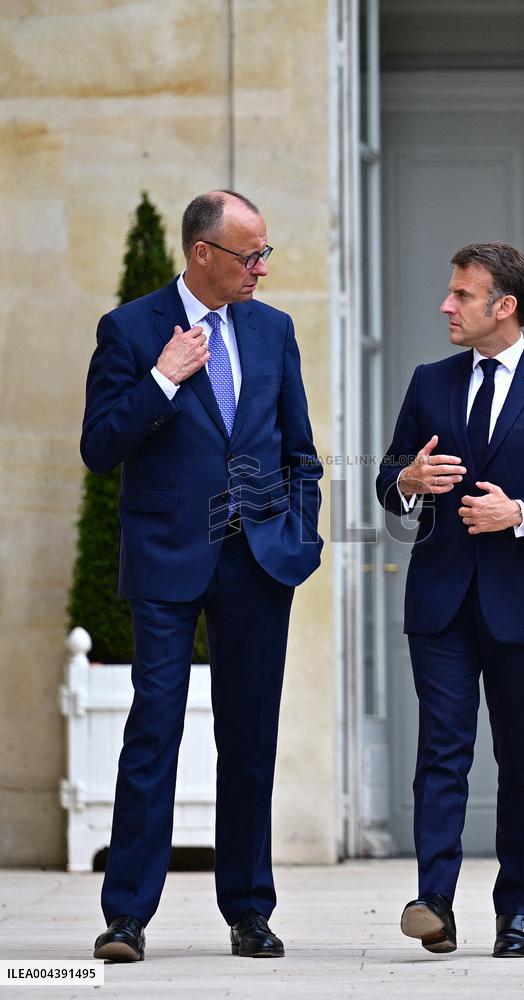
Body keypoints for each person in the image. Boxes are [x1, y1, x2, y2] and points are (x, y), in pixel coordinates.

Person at [83, 190, 323, 962]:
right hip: (165, 561)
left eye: (263, 254)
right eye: (248, 255)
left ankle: (248, 910)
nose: (260, 267)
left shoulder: (272, 328)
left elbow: (299, 450)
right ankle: (126, 917)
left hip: (256, 560)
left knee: (249, 740)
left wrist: (300, 533)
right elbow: (98, 447)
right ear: (200, 254)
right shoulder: (129, 330)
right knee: (153, 731)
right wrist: (159, 380)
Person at [376, 243, 524, 958]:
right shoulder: (428, 381)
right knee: (441, 753)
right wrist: (408, 480)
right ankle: (435, 905)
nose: (446, 306)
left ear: (502, 306)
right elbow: (389, 478)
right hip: (441, 603)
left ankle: (516, 913)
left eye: (461, 294)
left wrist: (519, 513)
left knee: (521, 760)